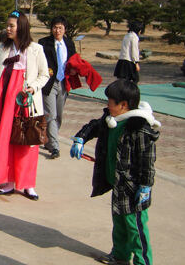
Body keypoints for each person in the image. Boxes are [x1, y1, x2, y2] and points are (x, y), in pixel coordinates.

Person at [70, 79, 159, 265]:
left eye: (110, 101)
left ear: (123, 105)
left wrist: (145, 185)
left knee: (135, 229)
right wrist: (80, 138)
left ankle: (143, 262)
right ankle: (120, 255)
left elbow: (147, 161)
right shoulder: (111, 120)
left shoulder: (139, 129)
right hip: (117, 183)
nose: (107, 105)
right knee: (119, 223)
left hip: (132, 188)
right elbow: (94, 126)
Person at [0, 11, 49, 200]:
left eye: (11, 26)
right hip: (3, 102)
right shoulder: (3, 49)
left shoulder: (35, 49)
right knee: (4, 141)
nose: (7, 29)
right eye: (7, 25)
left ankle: (28, 184)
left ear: (21, 27)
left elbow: (44, 74)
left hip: (24, 103)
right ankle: (6, 181)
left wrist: (32, 87)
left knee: (26, 141)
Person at [38, 16, 77, 159]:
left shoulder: (69, 43)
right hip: (49, 83)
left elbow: (74, 60)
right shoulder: (44, 43)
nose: (57, 30)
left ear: (65, 29)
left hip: (63, 83)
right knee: (51, 114)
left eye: (60, 27)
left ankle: (49, 140)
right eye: (55, 27)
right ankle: (55, 147)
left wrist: (74, 70)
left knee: (59, 115)